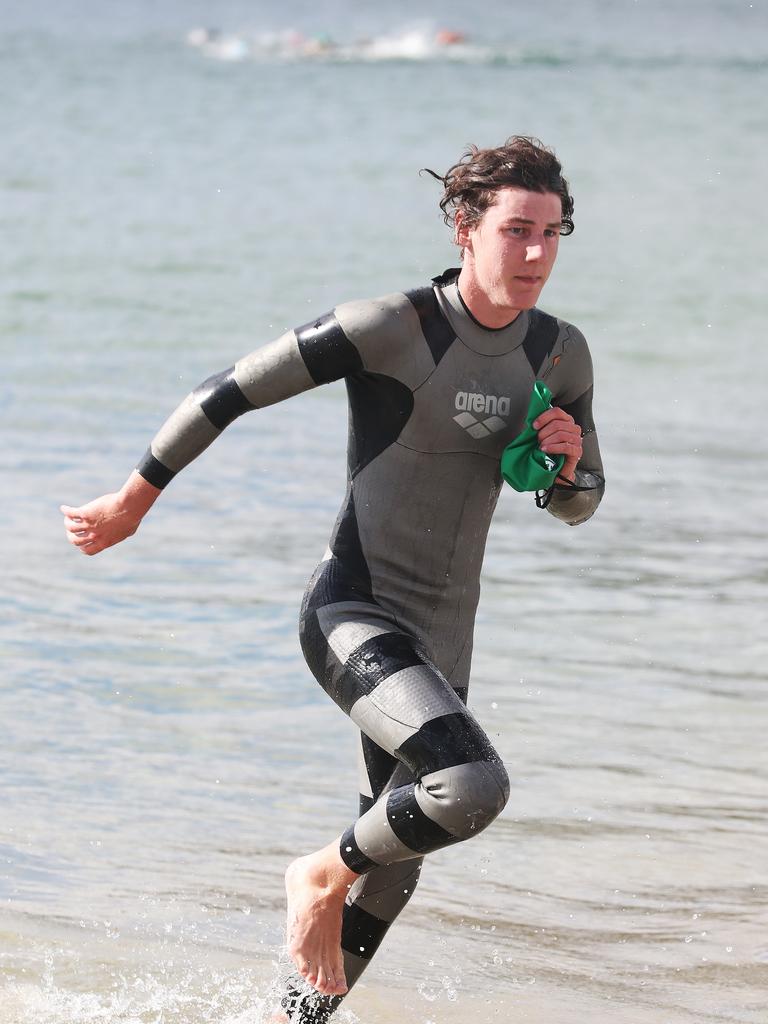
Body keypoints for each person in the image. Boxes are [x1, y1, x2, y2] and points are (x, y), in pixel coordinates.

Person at [61, 136, 604, 1022]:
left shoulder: (560, 354)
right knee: (468, 788)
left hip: (442, 638)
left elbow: (579, 505)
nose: (537, 253)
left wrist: (570, 464)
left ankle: (290, 1020)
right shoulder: (391, 326)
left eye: (552, 232)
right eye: (517, 230)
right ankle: (316, 872)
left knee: (399, 861)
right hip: (352, 610)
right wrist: (134, 497)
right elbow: (228, 390)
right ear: (466, 229)